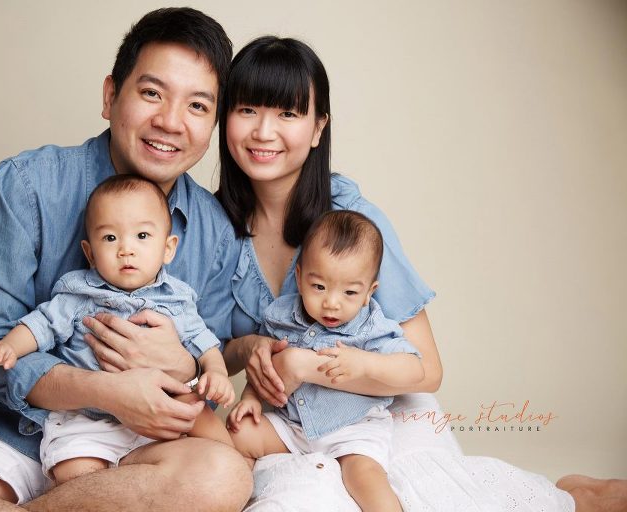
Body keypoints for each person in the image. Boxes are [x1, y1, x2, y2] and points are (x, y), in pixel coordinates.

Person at [0, 8, 251, 512]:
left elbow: (208, 360)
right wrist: (105, 390)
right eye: (152, 93)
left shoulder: (214, 231)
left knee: (220, 478)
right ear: (111, 96)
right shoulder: (27, 183)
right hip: (9, 431)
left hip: (138, 449)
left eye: (198, 106)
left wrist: (184, 368)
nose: (171, 121)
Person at [216, 35, 625, 512]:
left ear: (317, 128)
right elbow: (204, 354)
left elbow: (427, 371)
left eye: (287, 114)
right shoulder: (213, 226)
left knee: (427, 499)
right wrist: (252, 353)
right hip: (291, 422)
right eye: (247, 110)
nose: (264, 132)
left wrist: (310, 365)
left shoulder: (353, 223)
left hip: (380, 410)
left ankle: (576, 495)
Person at [0, 174, 235, 484]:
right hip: (88, 415)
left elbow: (205, 344)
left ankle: (242, 476)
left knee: (211, 434)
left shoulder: (177, 298)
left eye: (142, 236)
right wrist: (9, 347)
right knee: (76, 472)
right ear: (90, 253)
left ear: (168, 248)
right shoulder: (79, 294)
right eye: (110, 238)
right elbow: (40, 325)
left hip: (162, 410)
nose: (126, 249)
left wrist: (215, 373)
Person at [228, 210, 423, 511]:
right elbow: (265, 367)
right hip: (291, 425)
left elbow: (415, 370)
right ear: (300, 276)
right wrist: (251, 397)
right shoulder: (280, 316)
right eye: (318, 286)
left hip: (352, 428)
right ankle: (229, 495)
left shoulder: (371, 327)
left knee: (365, 476)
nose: (332, 302)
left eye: (349, 292)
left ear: (369, 292)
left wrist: (366, 363)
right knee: (237, 434)